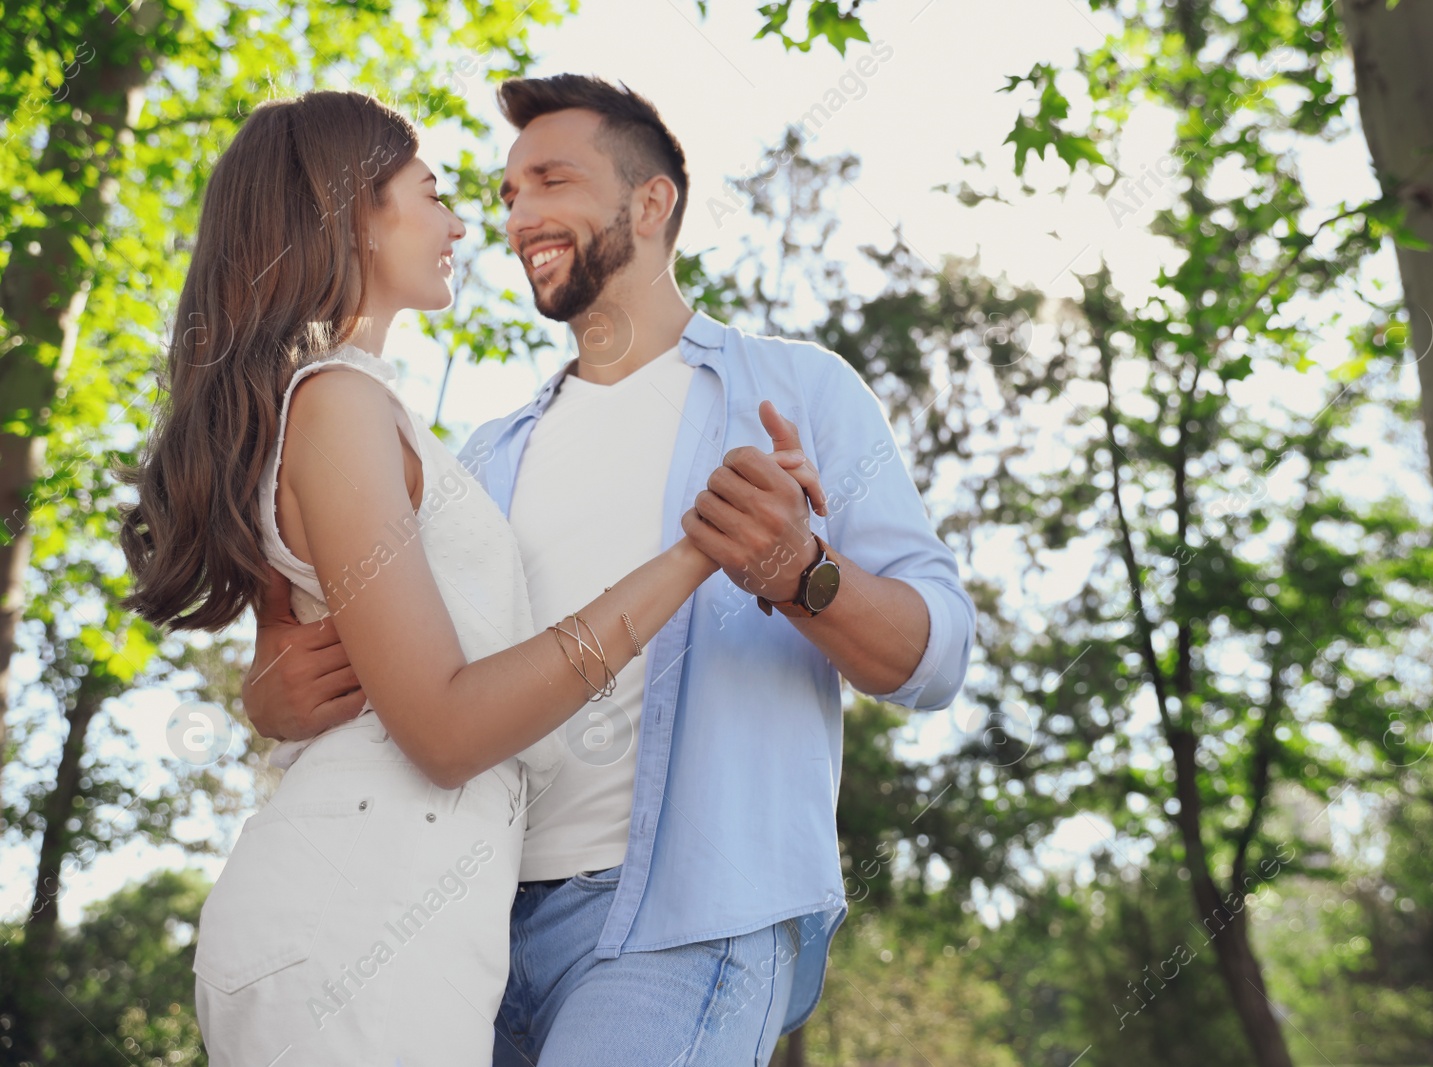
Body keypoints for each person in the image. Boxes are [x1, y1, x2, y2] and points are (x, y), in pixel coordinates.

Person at [244, 75, 977, 1066]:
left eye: (550, 180)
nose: (516, 217)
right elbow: (414, 672)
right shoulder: (479, 458)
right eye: (504, 195)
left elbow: (933, 657)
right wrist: (271, 693)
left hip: (683, 920)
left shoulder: (794, 389)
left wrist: (803, 569)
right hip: (461, 925)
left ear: (651, 200)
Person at [117, 90, 821, 1066]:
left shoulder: (342, 411)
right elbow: (446, 728)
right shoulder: (338, 400)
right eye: (433, 192)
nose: (461, 223)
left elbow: (315, 650)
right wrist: (701, 549)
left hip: (383, 912)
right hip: (359, 918)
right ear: (351, 211)